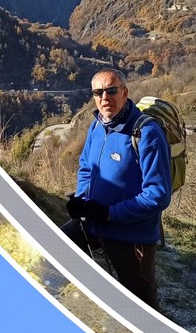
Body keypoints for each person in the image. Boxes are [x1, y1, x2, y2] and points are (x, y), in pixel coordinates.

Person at [66, 67, 171, 310]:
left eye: (112, 90)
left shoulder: (146, 133)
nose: (105, 97)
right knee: (54, 253)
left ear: (125, 92)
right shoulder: (97, 126)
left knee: (141, 303)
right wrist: (83, 200)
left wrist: (110, 213)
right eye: (98, 92)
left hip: (132, 237)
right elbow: (86, 167)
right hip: (93, 224)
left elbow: (158, 194)